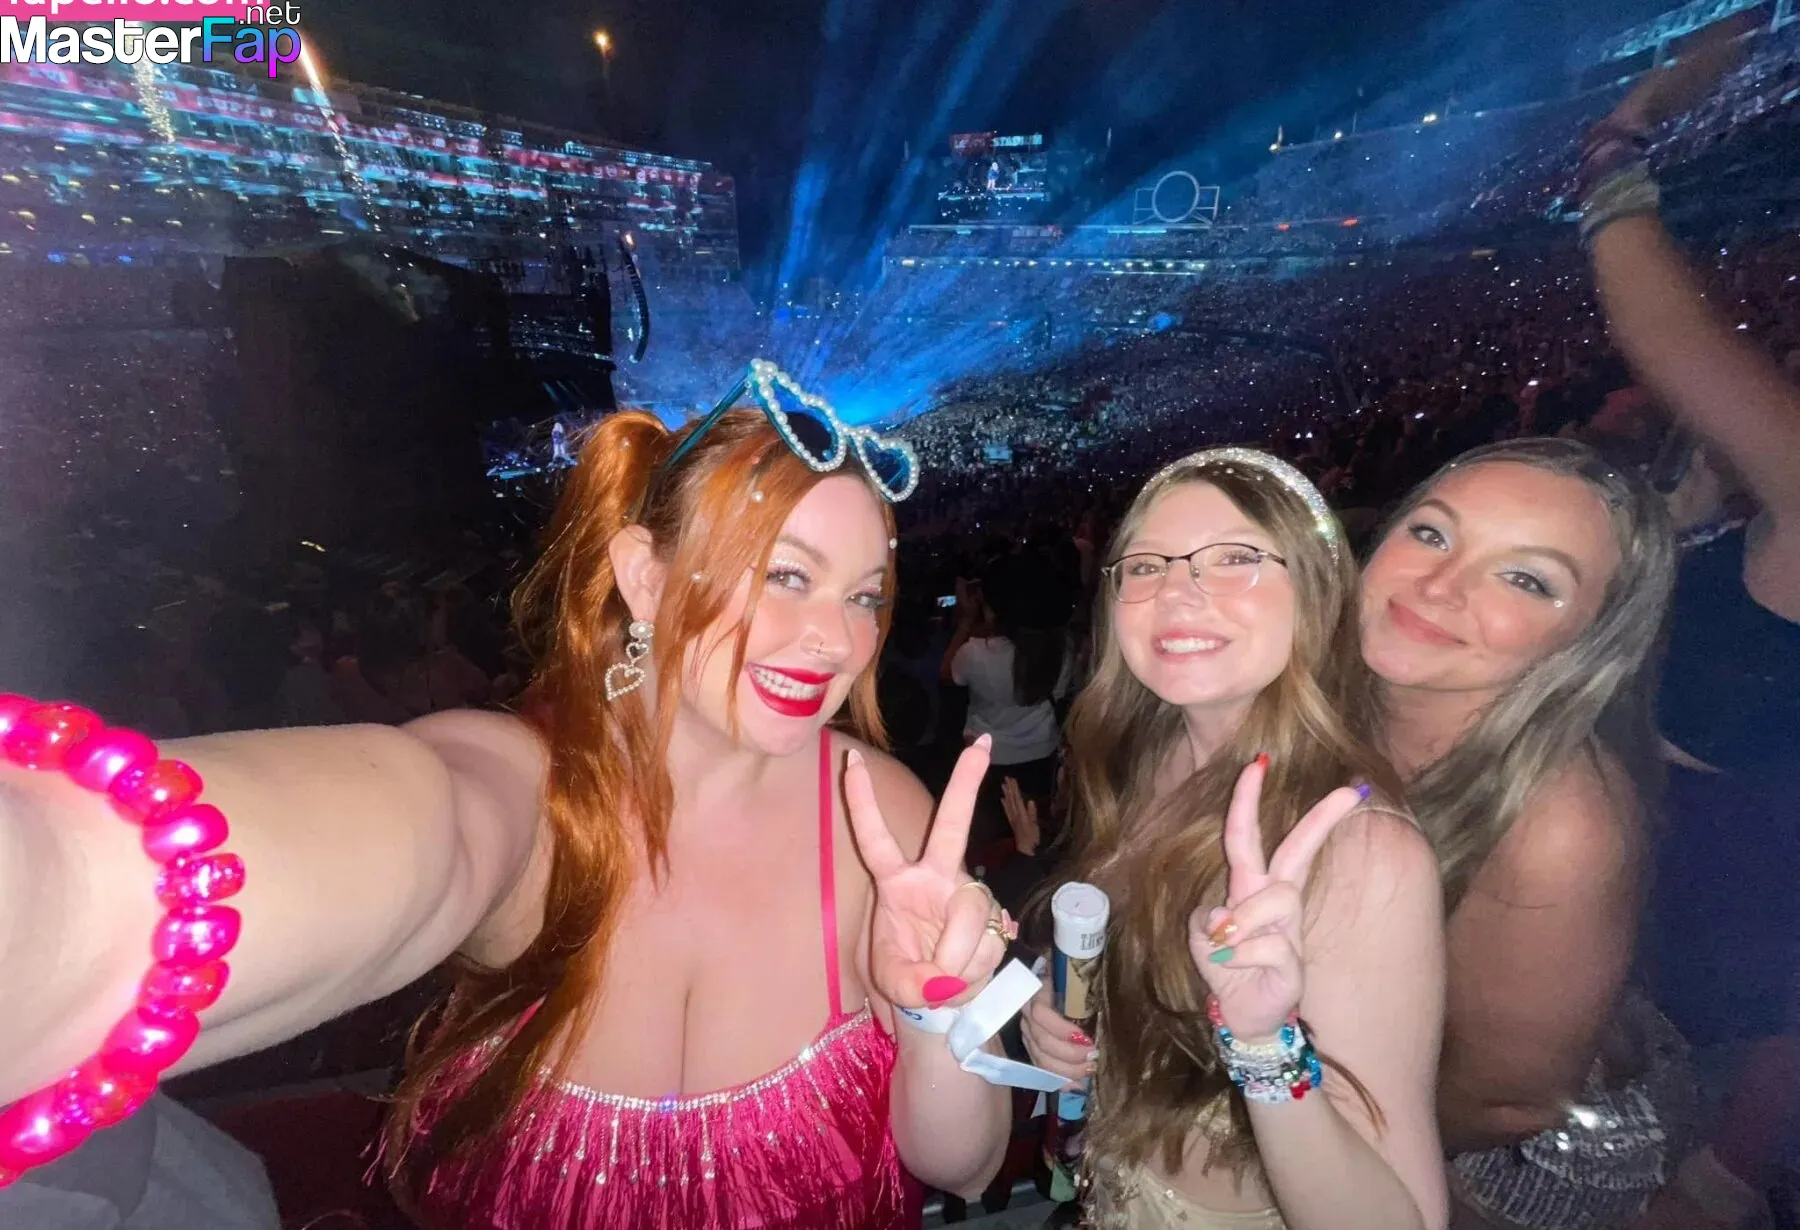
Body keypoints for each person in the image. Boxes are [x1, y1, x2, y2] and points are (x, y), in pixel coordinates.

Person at [0, 374, 1014, 1229]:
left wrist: (937, 1010)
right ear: (645, 579)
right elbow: (426, 823)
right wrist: (61, 897)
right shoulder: (528, 789)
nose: (836, 640)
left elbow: (963, 1171)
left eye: (865, 595)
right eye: (787, 575)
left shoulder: (883, 820)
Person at [1020, 448, 1449, 1230]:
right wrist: (1059, 1010)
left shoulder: (1362, 851)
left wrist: (1263, 1042)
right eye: (1145, 566)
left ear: (1315, 592)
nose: (1177, 591)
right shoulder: (1138, 758)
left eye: (1236, 558)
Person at [1357, 438, 1684, 1230]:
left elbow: (1504, 1103)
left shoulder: (1562, 826)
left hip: (1510, 1163)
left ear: (1589, 638)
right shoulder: (1336, 686)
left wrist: (1277, 1126)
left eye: (1526, 579)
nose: (1438, 585)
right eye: (1431, 533)